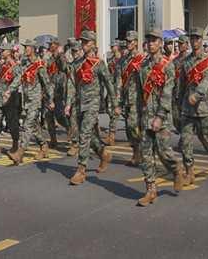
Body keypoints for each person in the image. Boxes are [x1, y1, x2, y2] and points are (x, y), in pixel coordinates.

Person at [136, 29, 184, 206]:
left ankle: (176, 169)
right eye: (148, 40)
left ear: (160, 44)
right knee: (146, 154)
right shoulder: (142, 66)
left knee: (164, 152)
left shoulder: (167, 66)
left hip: (160, 117)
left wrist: (160, 116)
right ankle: (151, 190)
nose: (150, 43)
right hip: (145, 115)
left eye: (154, 40)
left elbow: (167, 93)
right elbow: (138, 93)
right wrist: (136, 115)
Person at [65, 30, 118, 185]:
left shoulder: (99, 64)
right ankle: (103, 153)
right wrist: (68, 103)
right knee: (86, 135)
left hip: (93, 103)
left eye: (86, 42)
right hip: (80, 103)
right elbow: (72, 85)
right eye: (82, 42)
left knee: (85, 134)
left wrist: (114, 104)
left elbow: (109, 84)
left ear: (93, 44)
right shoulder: (77, 63)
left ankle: (81, 170)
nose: (83, 44)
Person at [178, 28, 208, 186]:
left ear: (202, 40)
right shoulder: (186, 62)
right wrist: (179, 104)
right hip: (187, 109)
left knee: (206, 139)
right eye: (192, 38)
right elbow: (182, 85)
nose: (194, 41)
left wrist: (196, 95)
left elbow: (206, 82)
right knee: (185, 140)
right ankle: (189, 172)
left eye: (197, 38)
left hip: (202, 107)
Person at [7, 39, 53, 165]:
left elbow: (47, 83)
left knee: (27, 125)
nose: (25, 49)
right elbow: (19, 78)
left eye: (27, 47)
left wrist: (51, 99)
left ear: (32, 48)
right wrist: (9, 90)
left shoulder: (39, 64)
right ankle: (44, 146)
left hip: (36, 99)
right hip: (26, 99)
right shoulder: (25, 63)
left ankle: (20, 153)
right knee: (34, 127)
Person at [0, 44, 22, 158]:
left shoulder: (15, 65)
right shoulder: (3, 66)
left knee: (12, 123)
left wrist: (10, 90)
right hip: (1, 99)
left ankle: (15, 145)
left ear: (9, 51)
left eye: (3, 50)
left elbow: (18, 79)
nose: (1, 52)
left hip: (10, 99)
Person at [117, 30, 146, 167]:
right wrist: (118, 100)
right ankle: (136, 151)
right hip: (126, 97)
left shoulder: (142, 59)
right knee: (129, 129)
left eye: (130, 41)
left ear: (136, 42)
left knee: (133, 125)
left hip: (138, 99)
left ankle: (140, 152)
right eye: (127, 41)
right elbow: (120, 81)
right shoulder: (123, 60)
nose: (128, 43)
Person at [45, 37, 71, 149]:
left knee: (60, 116)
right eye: (50, 44)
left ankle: (70, 129)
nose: (50, 46)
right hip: (50, 90)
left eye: (52, 44)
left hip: (60, 90)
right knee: (48, 115)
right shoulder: (49, 59)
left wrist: (60, 55)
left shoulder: (62, 57)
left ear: (56, 45)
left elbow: (65, 68)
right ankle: (53, 139)